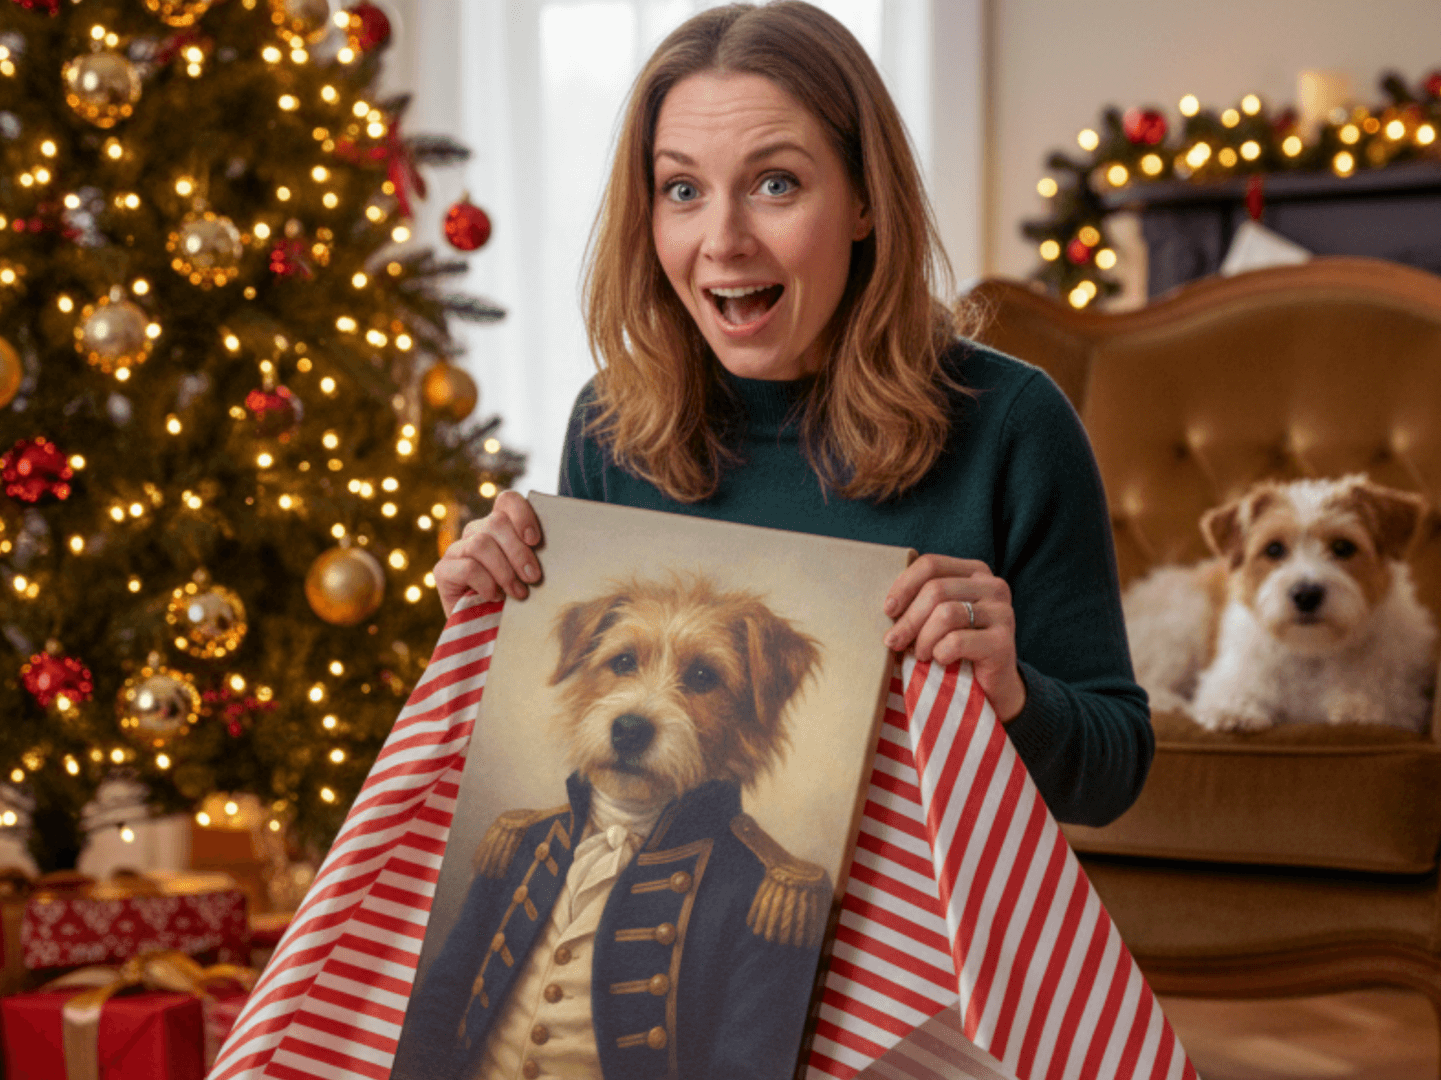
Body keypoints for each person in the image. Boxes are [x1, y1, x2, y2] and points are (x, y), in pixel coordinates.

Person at [406, 4, 1153, 1079]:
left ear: (862, 203)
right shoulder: (611, 426)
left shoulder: (1014, 426)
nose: (723, 240)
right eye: (682, 189)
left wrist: (1012, 690)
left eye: (776, 183)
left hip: (923, 1000)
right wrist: (488, 619)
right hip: (665, 1002)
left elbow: (1114, 770)